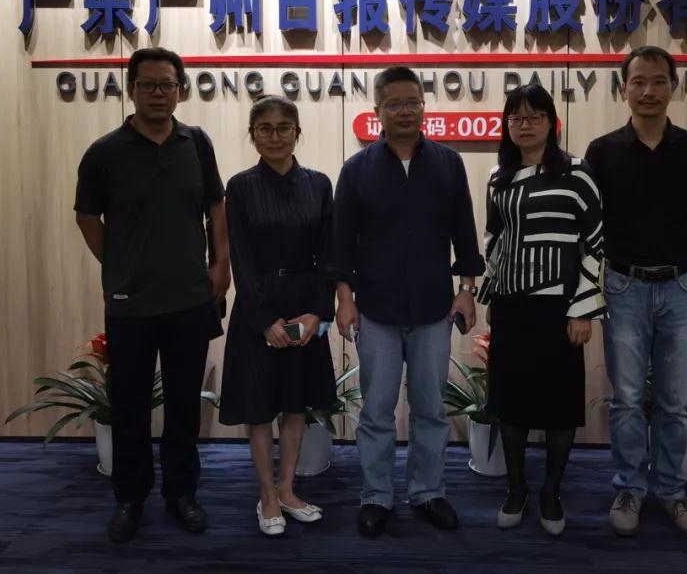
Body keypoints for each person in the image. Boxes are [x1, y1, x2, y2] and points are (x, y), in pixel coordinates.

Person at [74, 47, 230, 543]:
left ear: (180, 90)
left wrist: (221, 263)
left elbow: (216, 206)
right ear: (132, 89)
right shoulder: (105, 152)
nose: (158, 93)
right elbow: (86, 217)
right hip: (131, 304)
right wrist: (119, 264)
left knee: (184, 405)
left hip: (189, 298)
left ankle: (181, 493)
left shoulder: (196, 143)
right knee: (130, 407)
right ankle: (130, 498)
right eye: (148, 85)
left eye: (167, 84)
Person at [330, 66, 485, 538]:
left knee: (431, 409)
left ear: (424, 106)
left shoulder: (448, 163)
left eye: (412, 102)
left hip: (434, 308)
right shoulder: (357, 169)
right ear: (378, 110)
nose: (404, 111)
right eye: (394, 104)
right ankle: (376, 495)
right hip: (375, 308)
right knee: (376, 410)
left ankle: (428, 491)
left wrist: (466, 290)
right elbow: (341, 242)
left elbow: (464, 232)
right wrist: (344, 299)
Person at [584, 45, 687, 541]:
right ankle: (629, 488)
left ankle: (671, 490)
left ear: (673, 87)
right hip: (624, 286)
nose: (648, 91)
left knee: (673, 401)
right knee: (625, 399)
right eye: (638, 81)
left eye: (658, 81)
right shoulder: (603, 151)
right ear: (623, 89)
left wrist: (684, 256)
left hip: (681, 287)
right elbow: (591, 223)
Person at [482, 83, 604, 536]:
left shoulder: (577, 172)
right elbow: (494, 239)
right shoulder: (499, 177)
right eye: (516, 117)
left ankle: (551, 493)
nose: (525, 124)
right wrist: (493, 294)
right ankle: (516, 489)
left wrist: (583, 309)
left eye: (535, 116)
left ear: (552, 122)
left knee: (559, 405)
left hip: (560, 308)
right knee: (511, 404)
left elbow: (596, 243)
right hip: (512, 306)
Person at [219, 95, 337, 537]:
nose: (274, 136)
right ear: (253, 136)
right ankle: (266, 494)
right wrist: (265, 319)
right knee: (259, 407)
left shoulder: (319, 184)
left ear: (297, 133)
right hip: (259, 305)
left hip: (305, 304)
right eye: (264, 129)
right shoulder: (241, 186)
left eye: (283, 127)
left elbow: (329, 253)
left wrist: (318, 313)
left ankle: (287, 490)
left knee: (294, 403)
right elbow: (241, 259)